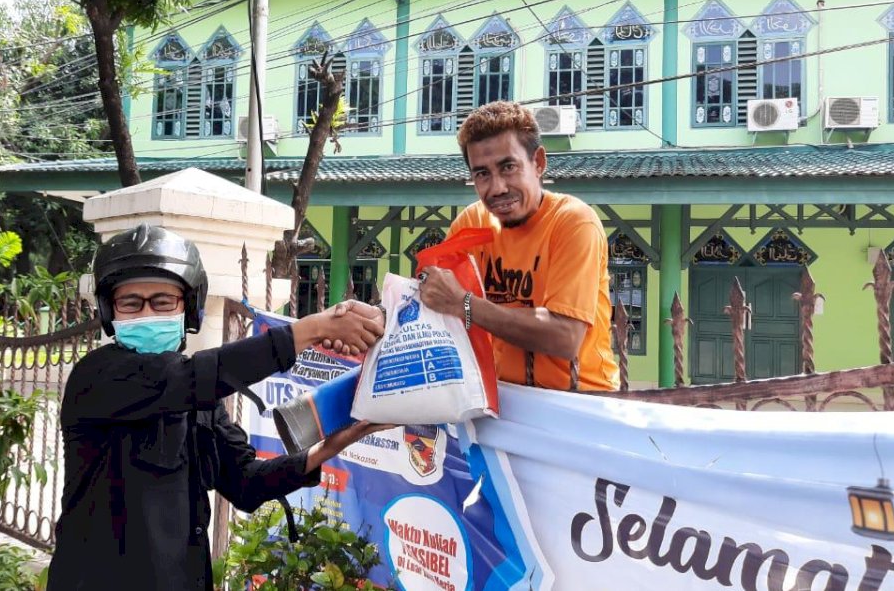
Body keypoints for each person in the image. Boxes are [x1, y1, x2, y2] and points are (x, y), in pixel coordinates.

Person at [47, 224, 388, 590]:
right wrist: (313, 329)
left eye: (162, 301)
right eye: (131, 302)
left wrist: (330, 446)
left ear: (189, 309)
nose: (146, 312)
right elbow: (193, 376)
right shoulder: (96, 378)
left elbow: (245, 482)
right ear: (109, 311)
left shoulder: (199, 402)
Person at [418, 100, 619, 392]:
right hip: (501, 396)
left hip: (582, 398)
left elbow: (565, 336)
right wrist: (375, 317)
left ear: (538, 162)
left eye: (508, 167)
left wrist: (465, 305)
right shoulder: (471, 222)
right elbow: (435, 301)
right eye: (482, 174)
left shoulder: (573, 222)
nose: (497, 187)